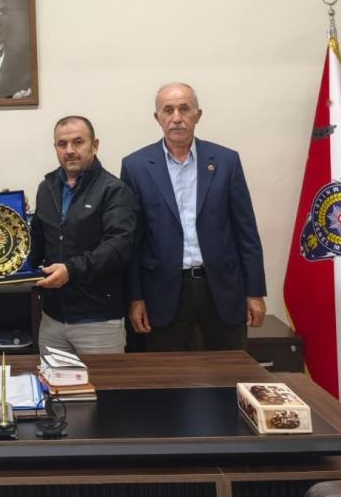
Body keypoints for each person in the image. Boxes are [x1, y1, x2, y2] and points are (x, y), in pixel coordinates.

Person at [121, 83, 267, 351]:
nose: (176, 117)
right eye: (168, 110)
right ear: (157, 117)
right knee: (168, 373)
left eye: (184, 109)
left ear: (197, 115)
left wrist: (255, 292)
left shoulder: (226, 161)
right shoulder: (135, 166)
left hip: (222, 288)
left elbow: (246, 232)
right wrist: (135, 298)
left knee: (230, 368)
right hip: (163, 291)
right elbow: (134, 242)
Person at [30, 116, 137, 354]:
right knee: (53, 380)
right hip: (53, 319)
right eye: (62, 144)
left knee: (103, 381)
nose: (69, 150)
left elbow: (117, 247)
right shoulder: (46, 188)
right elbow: (37, 241)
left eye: (78, 142)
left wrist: (71, 270)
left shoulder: (114, 190)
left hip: (98, 320)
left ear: (94, 145)